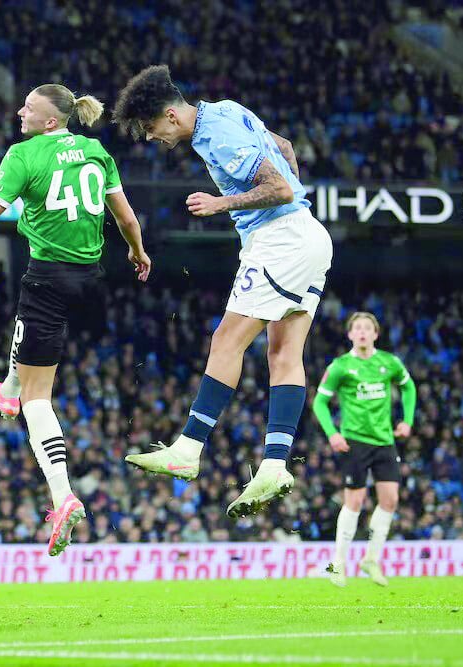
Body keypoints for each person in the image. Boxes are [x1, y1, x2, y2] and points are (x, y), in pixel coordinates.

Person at [0, 84, 152, 557]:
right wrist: (138, 253)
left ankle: (62, 496)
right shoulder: (95, 151)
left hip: (48, 279)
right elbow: (125, 218)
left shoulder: (22, 155)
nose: (20, 110)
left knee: (40, 399)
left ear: (50, 121)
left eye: (29, 107)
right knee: (23, 350)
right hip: (91, 278)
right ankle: (7, 390)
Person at [113, 65, 333, 518]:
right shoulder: (225, 110)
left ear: (171, 116)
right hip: (308, 235)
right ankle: (274, 465)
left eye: (152, 129)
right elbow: (285, 149)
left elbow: (275, 186)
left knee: (226, 341)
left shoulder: (216, 137)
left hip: (280, 240)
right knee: (283, 354)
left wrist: (222, 203)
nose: (153, 138)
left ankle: (189, 448)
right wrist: (298, 209)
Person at [313, 312, 416, 587]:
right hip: (354, 441)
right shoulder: (340, 366)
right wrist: (333, 434)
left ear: (375, 334)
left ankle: (371, 559)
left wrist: (407, 420)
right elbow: (319, 403)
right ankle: (338, 563)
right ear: (349, 334)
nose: (361, 332)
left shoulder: (389, 362)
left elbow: (409, 388)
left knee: (390, 500)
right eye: (357, 328)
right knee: (355, 502)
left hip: (384, 441)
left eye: (367, 328)